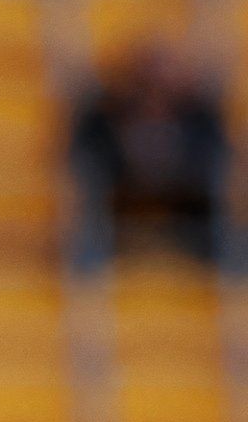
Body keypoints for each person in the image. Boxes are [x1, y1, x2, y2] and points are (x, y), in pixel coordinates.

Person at [69, 43, 226, 264]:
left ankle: (224, 260)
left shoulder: (199, 116)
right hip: (116, 192)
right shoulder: (103, 115)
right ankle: (91, 259)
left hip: (188, 197)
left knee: (220, 203)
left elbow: (217, 155)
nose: (156, 86)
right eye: (147, 80)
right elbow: (82, 153)